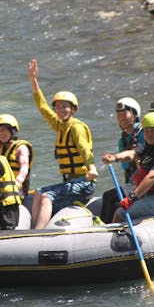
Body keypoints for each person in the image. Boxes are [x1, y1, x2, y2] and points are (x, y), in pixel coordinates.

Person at [28, 59, 98, 229]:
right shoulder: (60, 125)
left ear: (73, 109)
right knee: (38, 193)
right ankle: (30, 230)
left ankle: (38, 233)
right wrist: (33, 80)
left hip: (83, 183)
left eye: (65, 106)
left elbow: (84, 149)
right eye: (58, 106)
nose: (61, 109)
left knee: (47, 197)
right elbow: (43, 107)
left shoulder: (76, 127)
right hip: (69, 182)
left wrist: (92, 167)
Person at [0, 97, 34, 200]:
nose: (1, 134)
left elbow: (24, 168)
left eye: (5, 130)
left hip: (17, 191)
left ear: (12, 131)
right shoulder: (0, 146)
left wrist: (16, 183)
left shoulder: (21, 148)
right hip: (2, 189)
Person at [100, 97, 145, 223]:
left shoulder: (142, 133)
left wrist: (114, 157)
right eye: (118, 115)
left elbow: (133, 154)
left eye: (124, 113)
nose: (121, 117)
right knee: (113, 196)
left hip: (143, 183)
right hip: (132, 182)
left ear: (134, 114)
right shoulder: (124, 137)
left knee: (109, 197)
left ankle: (104, 229)